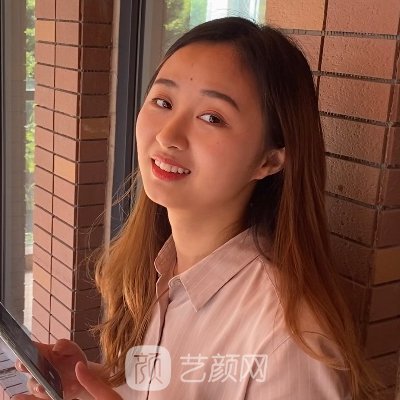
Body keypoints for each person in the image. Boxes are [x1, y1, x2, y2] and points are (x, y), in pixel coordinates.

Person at [14, 17, 382, 400]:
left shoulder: (289, 343)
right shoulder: (160, 270)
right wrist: (90, 382)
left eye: (212, 118)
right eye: (163, 102)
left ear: (269, 160)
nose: (167, 135)